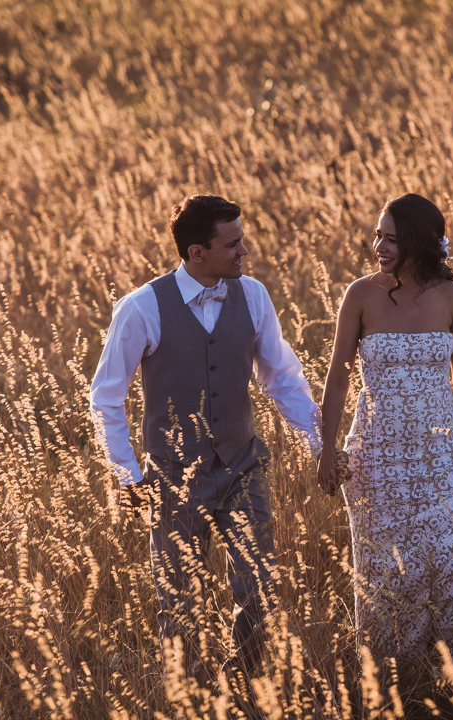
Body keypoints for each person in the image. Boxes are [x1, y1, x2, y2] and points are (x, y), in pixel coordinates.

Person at [89, 194, 321, 682]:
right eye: (232, 244)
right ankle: (189, 695)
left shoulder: (253, 295)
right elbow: (106, 397)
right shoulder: (141, 308)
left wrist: (318, 444)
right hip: (173, 478)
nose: (244, 252)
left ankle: (246, 685)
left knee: (260, 588)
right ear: (197, 252)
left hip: (243, 466)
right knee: (179, 604)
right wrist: (127, 475)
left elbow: (281, 377)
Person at [317, 193, 453, 716]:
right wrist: (327, 449)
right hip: (377, 458)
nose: (379, 247)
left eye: (392, 239)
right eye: (377, 236)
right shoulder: (360, 295)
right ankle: (388, 690)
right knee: (387, 572)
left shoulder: (452, 298)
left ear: (420, 243)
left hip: (443, 455)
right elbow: (337, 377)